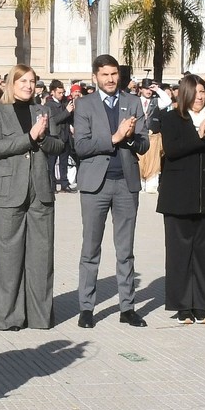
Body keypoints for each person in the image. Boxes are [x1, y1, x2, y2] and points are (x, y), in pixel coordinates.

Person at [0, 65, 65, 330]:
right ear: (11, 83)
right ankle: (7, 317)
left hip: (40, 191)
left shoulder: (43, 111)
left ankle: (39, 316)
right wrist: (30, 136)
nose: (29, 86)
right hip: (7, 192)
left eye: (32, 81)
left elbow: (58, 145)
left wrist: (42, 138)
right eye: (23, 81)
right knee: (7, 257)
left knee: (41, 257)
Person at [72, 55, 151, 328]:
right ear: (95, 76)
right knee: (90, 249)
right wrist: (114, 138)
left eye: (114, 74)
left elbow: (144, 144)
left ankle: (127, 308)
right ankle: (86, 308)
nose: (110, 79)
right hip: (95, 185)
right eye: (105, 74)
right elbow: (81, 146)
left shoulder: (132, 102)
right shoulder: (84, 104)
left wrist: (130, 139)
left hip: (126, 184)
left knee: (125, 250)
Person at [157, 74, 205, 324]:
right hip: (179, 196)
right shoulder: (171, 118)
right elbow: (173, 149)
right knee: (179, 253)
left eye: (203, 92)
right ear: (185, 94)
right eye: (196, 92)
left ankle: (202, 305)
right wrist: (198, 135)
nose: (200, 97)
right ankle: (182, 306)